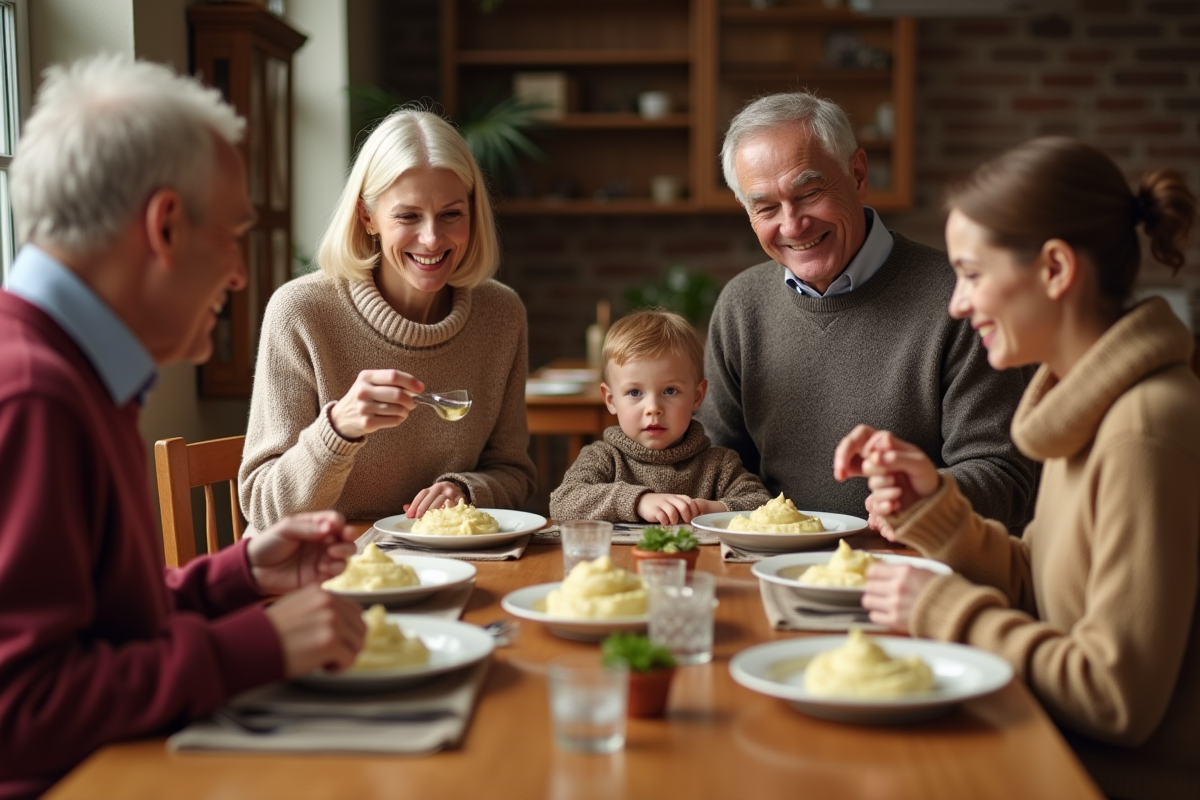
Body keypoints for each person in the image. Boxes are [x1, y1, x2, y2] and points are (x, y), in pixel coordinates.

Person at [0, 57, 366, 800]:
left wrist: (236, 576)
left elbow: (95, 632)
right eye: (233, 236)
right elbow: (17, 706)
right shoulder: (33, 396)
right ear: (165, 226)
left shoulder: (76, 374)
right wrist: (245, 650)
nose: (237, 274)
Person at [834, 137, 1199, 800]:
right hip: (1045, 749)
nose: (956, 303)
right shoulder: (1083, 404)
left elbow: (1114, 697)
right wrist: (935, 510)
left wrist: (945, 610)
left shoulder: (1143, 430)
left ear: (1056, 268)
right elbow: (1047, 591)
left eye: (972, 274)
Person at [698, 91, 1036, 533]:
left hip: (914, 571)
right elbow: (717, 468)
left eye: (809, 192)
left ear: (857, 174)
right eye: (765, 208)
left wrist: (926, 496)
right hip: (766, 567)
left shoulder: (962, 300)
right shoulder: (742, 306)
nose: (793, 224)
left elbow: (1006, 478)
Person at [238, 108, 535, 531]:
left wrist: (466, 492)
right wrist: (338, 431)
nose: (432, 238)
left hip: (442, 565)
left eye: (451, 214)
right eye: (407, 216)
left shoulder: (501, 315)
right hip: (317, 570)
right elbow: (264, 509)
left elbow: (515, 474)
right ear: (367, 217)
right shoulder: (300, 312)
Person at [550, 309, 771, 524]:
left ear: (696, 396)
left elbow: (763, 505)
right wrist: (638, 501)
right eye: (635, 393)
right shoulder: (603, 457)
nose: (653, 408)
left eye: (670, 391)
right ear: (611, 400)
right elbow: (563, 502)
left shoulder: (719, 464)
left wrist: (710, 509)